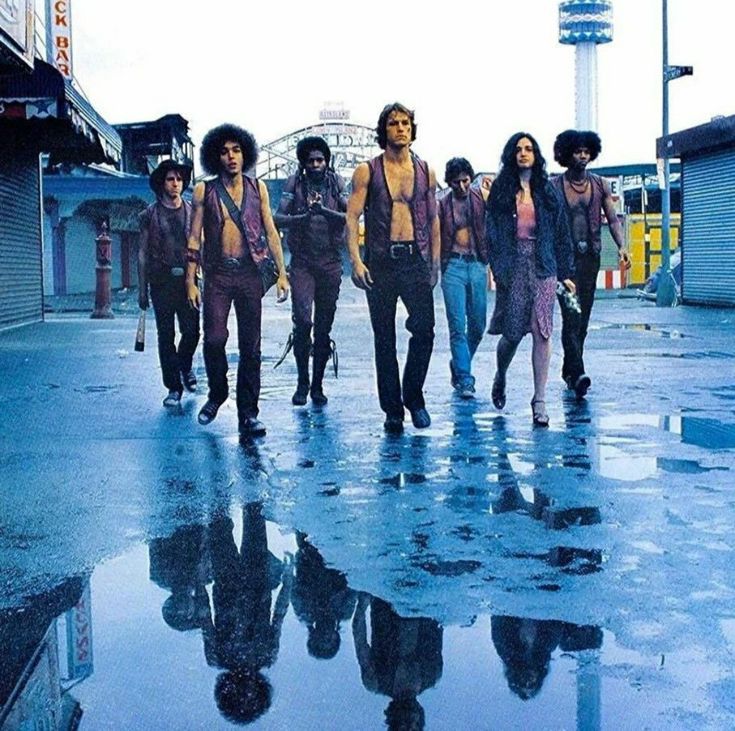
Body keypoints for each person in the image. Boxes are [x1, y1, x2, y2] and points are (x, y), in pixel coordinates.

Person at [186, 124, 289, 437]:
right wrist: (191, 280)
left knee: (251, 347)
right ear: (215, 157)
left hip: (249, 273)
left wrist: (282, 273)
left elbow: (271, 231)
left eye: (236, 150)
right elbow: (194, 237)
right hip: (217, 274)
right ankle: (217, 394)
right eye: (224, 151)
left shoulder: (258, 189)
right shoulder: (205, 190)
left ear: (245, 153)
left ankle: (248, 414)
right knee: (214, 339)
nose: (231, 157)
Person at [347, 102, 441, 434]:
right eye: (393, 123)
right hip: (381, 262)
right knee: (383, 338)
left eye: (404, 123)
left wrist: (435, 262)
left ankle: (413, 397)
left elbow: (432, 218)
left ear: (412, 130)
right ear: (383, 130)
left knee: (425, 330)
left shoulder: (425, 170)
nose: (400, 128)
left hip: (415, 258)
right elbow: (351, 216)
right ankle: (392, 410)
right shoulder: (367, 170)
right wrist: (356, 260)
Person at [486, 132, 575, 427]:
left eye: (529, 149)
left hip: (543, 264)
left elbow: (562, 233)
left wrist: (566, 273)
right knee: (511, 334)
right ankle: (501, 375)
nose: (523, 153)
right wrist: (499, 270)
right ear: (512, 154)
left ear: (536, 155)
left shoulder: (548, 192)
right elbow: (493, 235)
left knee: (543, 331)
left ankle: (539, 400)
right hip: (513, 266)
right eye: (519, 149)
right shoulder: (501, 191)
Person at [552, 130, 631, 398]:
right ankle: (579, 371)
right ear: (567, 154)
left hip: (590, 260)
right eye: (577, 151)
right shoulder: (554, 186)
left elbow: (614, 219)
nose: (583, 156)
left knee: (582, 321)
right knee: (571, 316)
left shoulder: (599, 185)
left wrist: (622, 246)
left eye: (587, 151)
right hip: (565, 263)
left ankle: (570, 372)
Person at [274, 136, 346, 407]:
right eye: (311, 161)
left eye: (320, 160)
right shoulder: (295, 183)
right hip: (302, 262)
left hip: (330, 262)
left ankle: (317, 386)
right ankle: (302, 382)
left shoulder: (336, 183)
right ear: (303, 163)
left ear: (326, 162)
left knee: (324, 328)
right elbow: (277, 217)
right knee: (303, 322)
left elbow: (351, 215)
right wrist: (303, 217)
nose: (316, 165)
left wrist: (325, 211)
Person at [138, 160, 200, 407]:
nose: (175, 184)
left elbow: (200, 245)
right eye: (170, 179)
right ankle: (173, 387)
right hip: (161, 281)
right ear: (162, 184)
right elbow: (142, 253)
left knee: (193, 332)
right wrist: (142, 290)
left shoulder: (193, 212)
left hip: (189, 281)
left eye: (179, 179)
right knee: (166, 335)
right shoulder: (148, 214)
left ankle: (184, 367)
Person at [438, 158, 491, 399]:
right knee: (457, 326)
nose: (461, 186)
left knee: (478, 326)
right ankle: (465, 378)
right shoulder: (443, 205)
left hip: (478, 265)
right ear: (449, 182)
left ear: (471, 178)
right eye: (456, 182)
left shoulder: (482, 196)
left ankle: (459, 364)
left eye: (465, 181)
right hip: (454, 267)